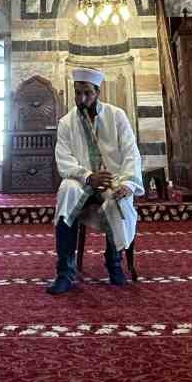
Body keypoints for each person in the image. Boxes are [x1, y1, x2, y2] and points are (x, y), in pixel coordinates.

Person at [46, 67, 142, 294]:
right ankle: (64, 272)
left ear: (98, 92)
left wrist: (128, 184)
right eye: (78, 93)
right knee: (67, 192)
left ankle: (114, 263)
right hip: (81, 179)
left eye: (87, 93)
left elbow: (131, 152)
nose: (82, 98)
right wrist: (88, 177)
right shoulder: (66, 122)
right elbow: (64, 159)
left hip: (113, 178)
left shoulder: (116, 116)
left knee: (117, 199)